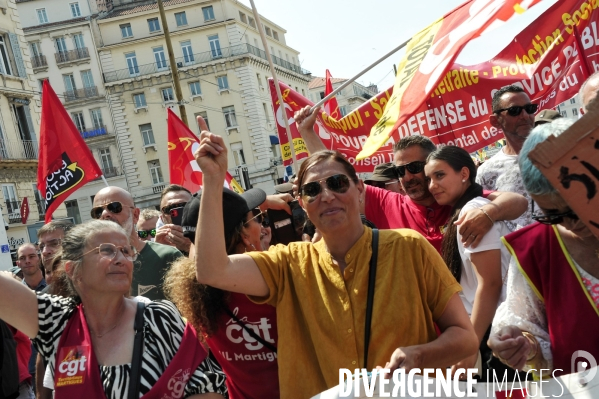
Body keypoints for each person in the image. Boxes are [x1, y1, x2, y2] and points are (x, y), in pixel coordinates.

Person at [192, 117, 478, 399]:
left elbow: (465, 339)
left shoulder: (409, 248)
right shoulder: (288, 264)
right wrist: (213, 180)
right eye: (313, 190)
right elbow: (212, 271)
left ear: (360, 189)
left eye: (338, 183)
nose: (327, 195)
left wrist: (419, 355)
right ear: (302, 204)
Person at [0, 220, 227, 397]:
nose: (121, 259)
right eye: (107, 250)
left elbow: (207, 385)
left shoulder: (159, 317)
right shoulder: (57, 320)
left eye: (126, 251)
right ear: (73, 269)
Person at [294, 106, 528, 252]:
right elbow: (333, 174)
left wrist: (488, 214)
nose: (407, 177)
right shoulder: (387, 203)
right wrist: (307, 132)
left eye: (415, 167)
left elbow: (517, 202)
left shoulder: (459, 199)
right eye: (399, 171)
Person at [488, 118, 599, 376]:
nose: (572, 223)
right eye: (554, 215)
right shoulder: (535, 249)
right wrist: (522, 345)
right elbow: (526, 327)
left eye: (578, 206)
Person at [166, 188, 280, 399]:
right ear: (244, 235)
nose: (262, 225)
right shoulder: (278, 282)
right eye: (257, 218)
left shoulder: (196, 296)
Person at [425, 146, 515, 379]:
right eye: (429, 178)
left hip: (494, 333)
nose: (432, 186)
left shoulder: (473, 213)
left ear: (464, 174)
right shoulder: (470, 209)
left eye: (440, 175)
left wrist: (470, 344)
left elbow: (490, 284)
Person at [92, 186, 182, 300]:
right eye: (98, 212)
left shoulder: (167, 256)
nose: (105, 214)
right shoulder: (91, 264)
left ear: (135, 215)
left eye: (114, 207)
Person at [477, 85, 538, 231]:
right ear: (495, 121)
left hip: (567, 249)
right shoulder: (487, 172)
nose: (524, 115)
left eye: (529, 109)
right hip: (518, 251)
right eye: (514, 111)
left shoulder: (559, 152)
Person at [155, 184, 193, 253]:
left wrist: (191, 247)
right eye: (169, 208)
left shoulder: (212, 234)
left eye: (184, 206)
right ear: (162, 216)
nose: (177, 212)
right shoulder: (160, 244)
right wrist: (159, 252)